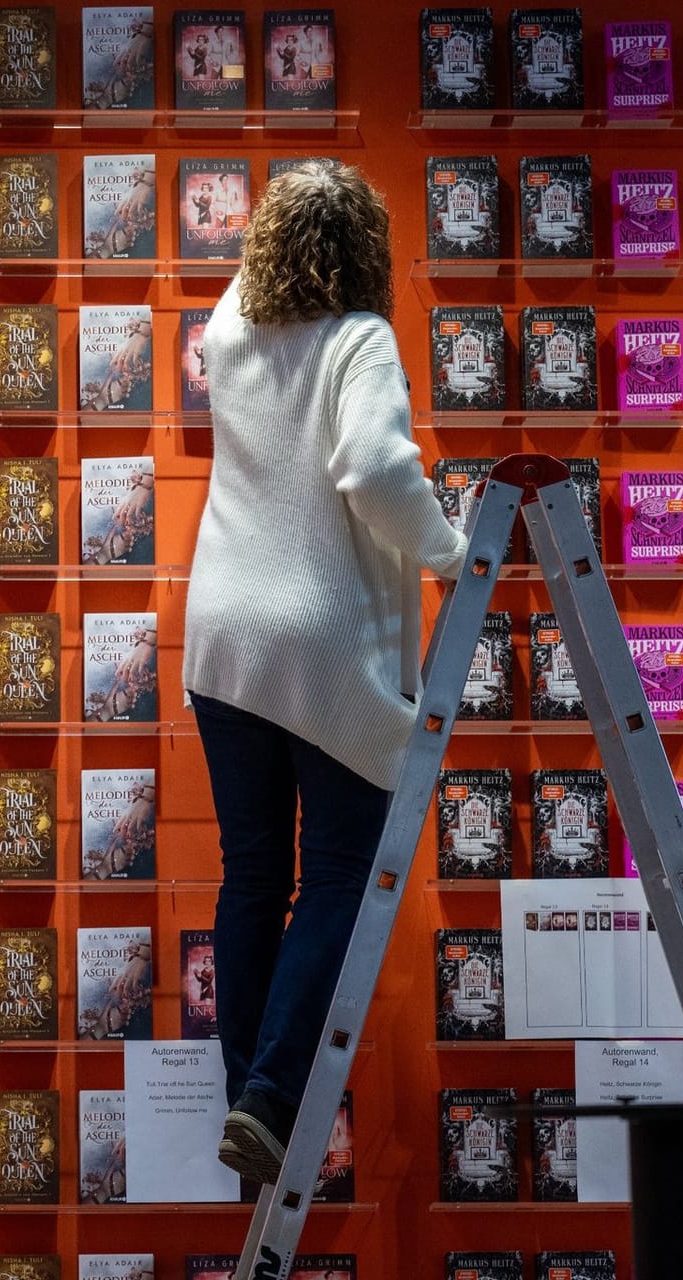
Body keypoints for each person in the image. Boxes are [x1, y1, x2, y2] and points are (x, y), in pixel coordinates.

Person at [183, 160, 467, 1186]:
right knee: (342, 868)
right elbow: (376, 469)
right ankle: (270, 1095)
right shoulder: (360, 338)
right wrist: (449, 553)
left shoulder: (230, 322)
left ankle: (246, 1099)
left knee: (254, 871)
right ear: (365, 251)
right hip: (321, 637)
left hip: (222, 634)